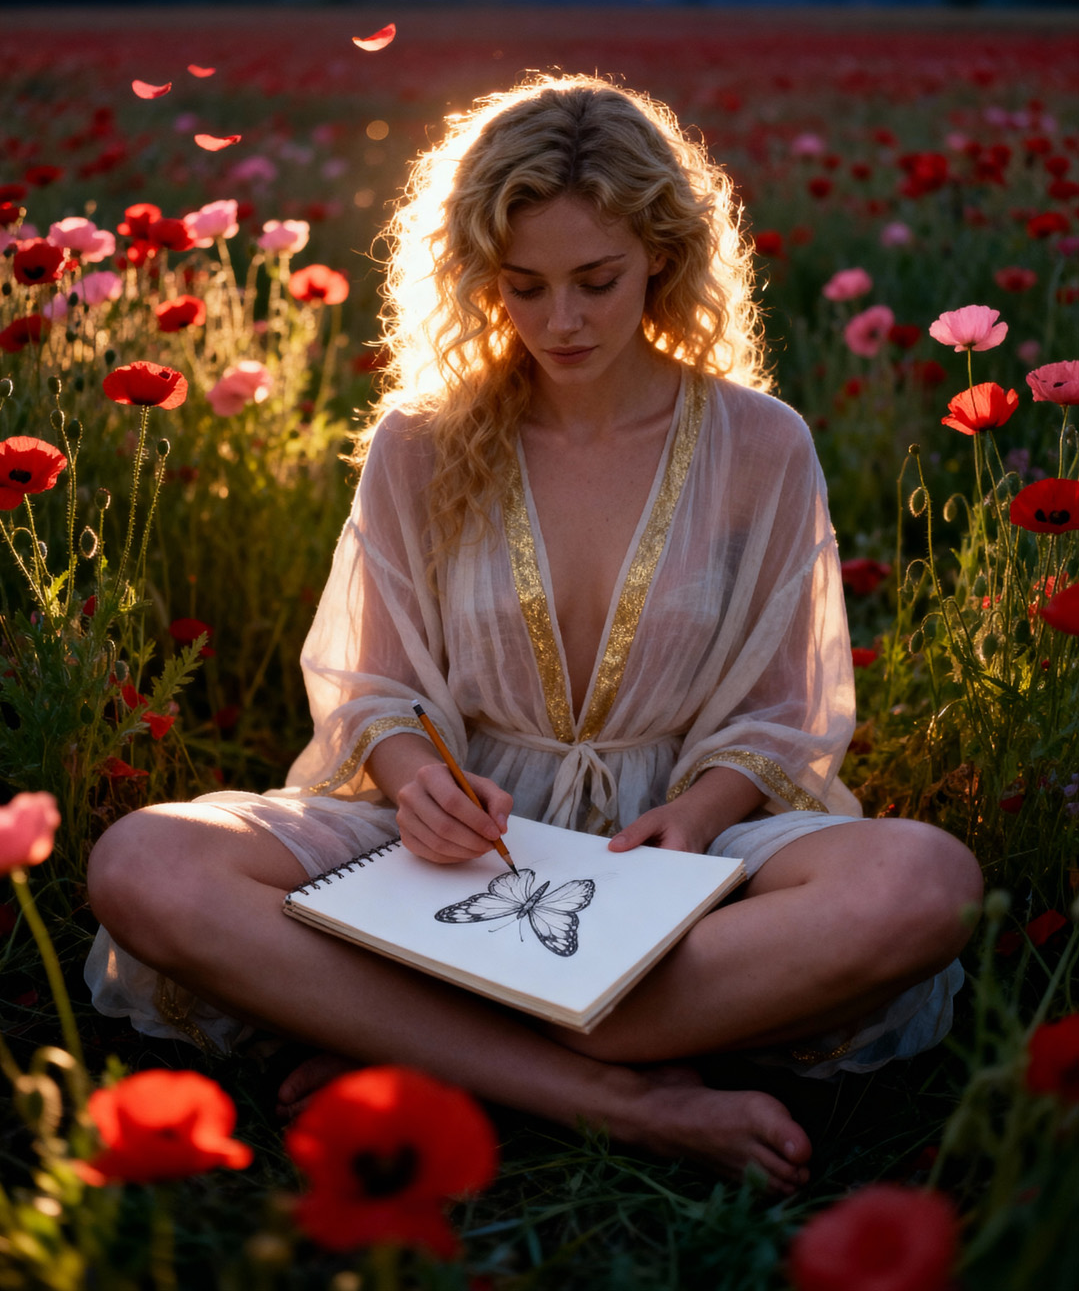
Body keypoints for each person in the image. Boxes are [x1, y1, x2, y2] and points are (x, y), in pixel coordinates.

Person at [86, 74, 982, 1194]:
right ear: (479, 278)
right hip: (457, 835)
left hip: (674, 842)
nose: (561, 321)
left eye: (596, 282)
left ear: (661, 255)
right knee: (147, 866)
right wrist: (417, 784)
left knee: (926, 883)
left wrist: (696, 818)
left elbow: (778, 710)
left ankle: (425, 1035)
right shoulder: (422, 440)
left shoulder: (759, 442)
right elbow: (373, 680)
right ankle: (602, 1090)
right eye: (524, 286)